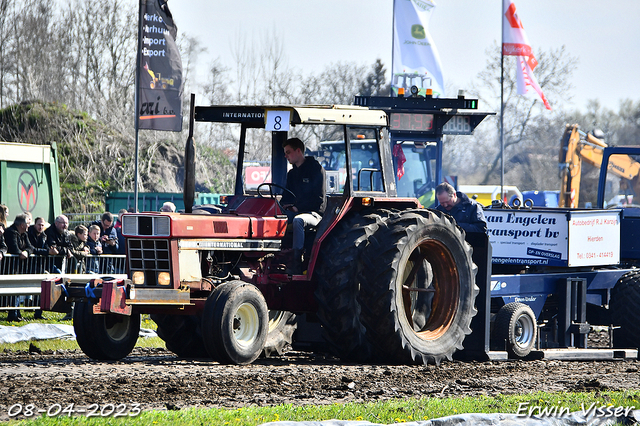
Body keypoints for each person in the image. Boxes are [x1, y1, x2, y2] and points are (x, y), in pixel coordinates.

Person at [280, 137, 326, 274]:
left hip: (314, 213)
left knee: (298, 221)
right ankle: (276, 256)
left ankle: (297, 262)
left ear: (298, 151)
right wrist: (284, 205)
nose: (285, 156)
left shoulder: (316, 170)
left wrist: (298, 208)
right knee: (276, 217)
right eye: (285, 152)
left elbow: (319, 199)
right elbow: (286, 196)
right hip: (295, 211)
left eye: (288, 152)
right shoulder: (292, 174)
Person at [4, 214, 35, 321]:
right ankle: (12, 313)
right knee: (12, 290)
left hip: (19, 266)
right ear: (22, 225)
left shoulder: (24, 234)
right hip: (9, 266)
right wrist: (21, 253)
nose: (29, 226)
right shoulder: (10, 232)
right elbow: (13, 248)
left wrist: (26, 252)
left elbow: (30, 247)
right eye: (27, 223)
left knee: (17, 291)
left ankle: (16, 312)